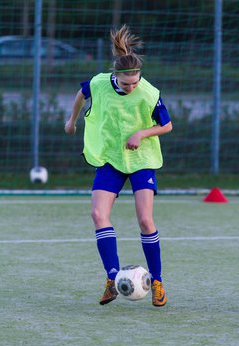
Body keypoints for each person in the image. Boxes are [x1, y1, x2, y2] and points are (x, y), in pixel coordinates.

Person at [65, 24, 172, 307]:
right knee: (98, 214)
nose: (131, 88)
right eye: (126, 84)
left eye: (135, 83)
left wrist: (142, 133)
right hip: (111, 158)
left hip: (141, 160)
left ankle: (157, 281)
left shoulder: (149, 92)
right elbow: (81, 94)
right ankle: (113, 278)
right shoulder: (99, 83)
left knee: (145, 220)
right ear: (116, 76)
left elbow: (167, 125)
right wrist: (71, 120)